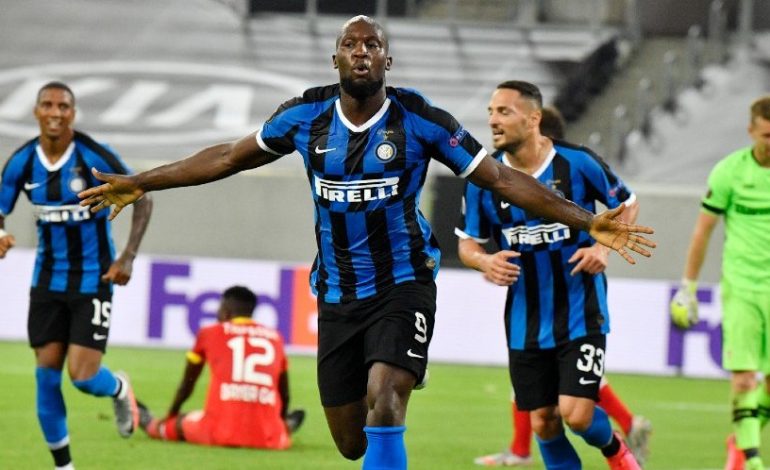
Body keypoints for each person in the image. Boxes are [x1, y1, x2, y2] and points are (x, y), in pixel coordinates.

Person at [77, 16, 654, 470]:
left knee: (387, 398)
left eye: (372, 45)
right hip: (337, 294)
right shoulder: (303, 117)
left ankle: (401, 365)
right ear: (335, 59)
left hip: (405, 282)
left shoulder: (422, 119)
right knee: (351, 441)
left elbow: (500, 179)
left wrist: (587, 221)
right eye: (350, 45)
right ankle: (393, 379)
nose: (361, 52)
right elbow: (227, 157)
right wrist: (142, 180)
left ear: (387, 61)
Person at [457, 80, 645, 469]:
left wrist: (602, 248)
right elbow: (467, 243)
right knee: (543, 421)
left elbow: (627, 203)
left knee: (576, 415)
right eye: (491, 112)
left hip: (581, 310)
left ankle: (617, 452)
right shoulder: (484, 179)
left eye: (504, 111)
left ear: (534, 118)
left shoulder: (578, 163)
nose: (493, 120)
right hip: (525, 319)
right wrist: (484, 262)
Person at [0, 81, 153, 470]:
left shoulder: (93, 156)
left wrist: (128, 257)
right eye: (48, 105)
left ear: (73, 113)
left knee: (82, 378)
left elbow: (144, 195)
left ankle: (118, 387)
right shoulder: (22, 162)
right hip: (47, 281)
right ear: (36, 111)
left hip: (93, 280)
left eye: (63, 106)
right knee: (46, 378)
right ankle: (64, 467)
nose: (55, 112)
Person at [670, 95, 770, 470]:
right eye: (767, 135)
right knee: (744, 380)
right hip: (742, 286)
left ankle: (739, 442)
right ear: (751, 131)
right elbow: (703, 232)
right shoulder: (729, 173)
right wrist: (688, 286)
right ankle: (752, 460)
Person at [135, 285, 305, 449]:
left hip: (220, 433)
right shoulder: (275, 337)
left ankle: (152, 425)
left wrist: (171, 415)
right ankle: (285, 426)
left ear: (226, 311)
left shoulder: (209, 333)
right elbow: (285, 394)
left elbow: (187, 384)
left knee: (183, 421)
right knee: (272, 425)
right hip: (269, 439)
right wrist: (280, 422)